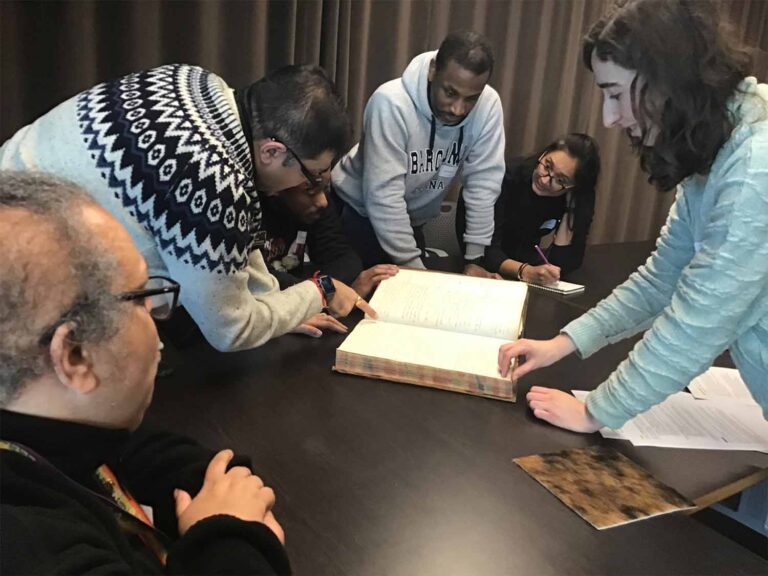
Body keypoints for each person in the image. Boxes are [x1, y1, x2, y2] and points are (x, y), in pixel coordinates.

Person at [498, 0, 768, 432]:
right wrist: (565, 342)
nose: (609, 117)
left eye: (616, 94)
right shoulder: (716, 143)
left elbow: (698, 324)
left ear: (669, 81)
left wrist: (596, 411)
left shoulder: (755, 165)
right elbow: (662, 278)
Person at [0, 172, 290, 574]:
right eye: (139, 297)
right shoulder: (30, 548)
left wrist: (225, 502)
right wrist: (231, 536)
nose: (156, 313)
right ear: (76, 355)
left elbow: (173, 461)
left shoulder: (53, 426)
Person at [0, 63, 374, 352]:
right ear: (273, 152)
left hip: (17, 186)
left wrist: (278, 304)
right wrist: (321, 289)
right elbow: (230, 330)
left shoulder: (200, 83)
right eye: (312, 176)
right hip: (22, 264)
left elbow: (234, 242)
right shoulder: (210, 176)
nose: (309, 189)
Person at [331, 30, 505, 271]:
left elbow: (484, 185)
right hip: (356, 214)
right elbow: (384, 195)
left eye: (470, 99)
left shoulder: (488, 106)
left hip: (409, 223)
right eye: (450, 92)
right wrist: (414, 272)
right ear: (433, 70)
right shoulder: (390, 103)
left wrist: (475, 259)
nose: (458, 109)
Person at [258, 182, 398, 337]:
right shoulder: (247, 210)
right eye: (310, 191)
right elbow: (254, 281)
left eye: (324, 188)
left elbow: (340, 255)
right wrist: (321, 292)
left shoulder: (313, 205)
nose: (323, 201)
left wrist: (337, 292)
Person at [457, 133, 600, 284]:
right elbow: (486, 251)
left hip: (520, 268)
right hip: (480, 266)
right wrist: (525, 271)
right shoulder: (505, 177)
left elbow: (565, 263)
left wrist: (571, 210)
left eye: (560, 180)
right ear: (544, 154)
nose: (544, 180)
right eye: (547, 165)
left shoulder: (574, 196)